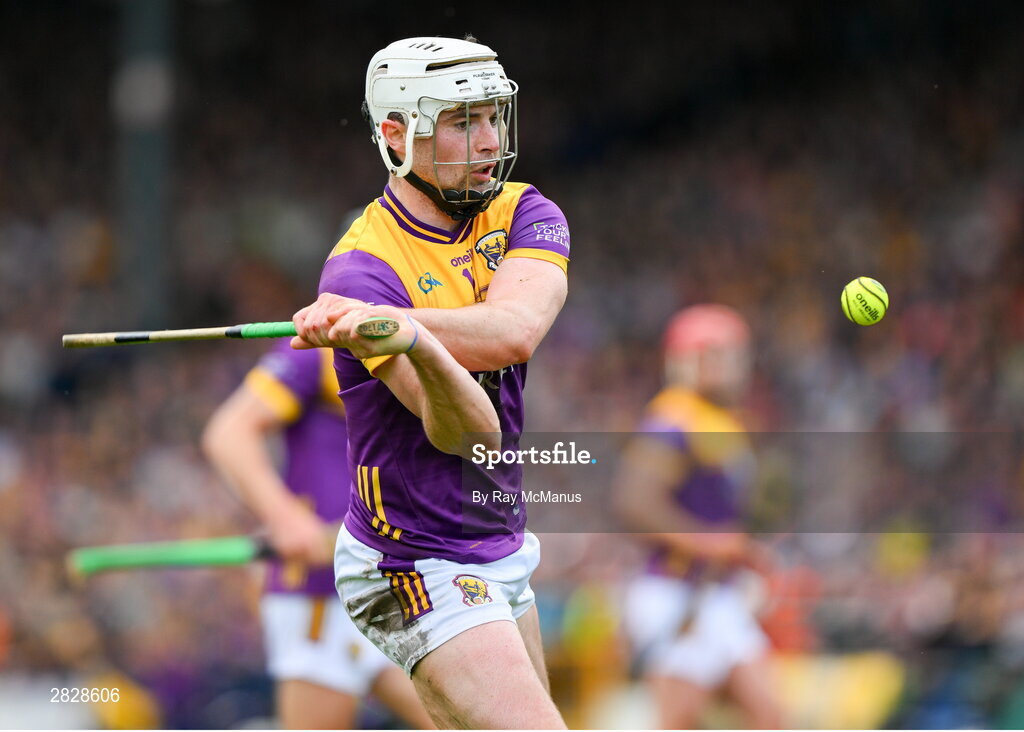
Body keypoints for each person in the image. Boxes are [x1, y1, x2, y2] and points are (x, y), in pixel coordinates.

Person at [290, 36, 570, 729]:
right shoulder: (361, 269)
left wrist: (404, 326)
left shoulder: (525, 212)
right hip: (412, 557)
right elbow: (468, 433)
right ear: (395, 134)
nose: (486, 141)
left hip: (497, 541)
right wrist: (408, 336)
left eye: (492, 117)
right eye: (461, 121)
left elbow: (514, 329)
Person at [201, 340, 433, 730]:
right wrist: (286, 518)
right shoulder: (321, 350)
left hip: (406, 581)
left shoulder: (436, 343)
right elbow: (228, 434)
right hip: (323, 596)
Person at [613, 304, 781, 730]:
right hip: (677, 595)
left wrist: (740, 549)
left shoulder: (723, 421)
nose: (734, 366)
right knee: (681, 721)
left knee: (770, 716)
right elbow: (634, 502)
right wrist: (710, 542)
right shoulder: (673, 417)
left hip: (718, 594)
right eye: (719, 355)